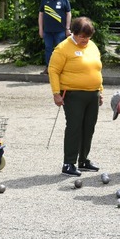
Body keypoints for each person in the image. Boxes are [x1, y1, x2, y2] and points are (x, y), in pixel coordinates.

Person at [48, 17, 103, 177]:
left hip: (92, 94)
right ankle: (69, 163)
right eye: (82, 37)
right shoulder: (63, 48)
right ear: (74, 33)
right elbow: (53, 70)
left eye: (88, 36)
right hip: (73, 94)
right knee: (74, 127)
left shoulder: (92, 46)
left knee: (89, 127)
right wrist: (56, 93)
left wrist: (100, 90)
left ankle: (83, 160)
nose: (86, 40)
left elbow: (97, 69)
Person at [39, 0, 72, 75]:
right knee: (48, 49)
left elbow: (68, 13)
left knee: (60, 50)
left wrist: (67, 28)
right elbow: (41, 14)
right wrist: (41, 29)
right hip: (47, 31)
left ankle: (61, 69)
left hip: (60, 31)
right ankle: (48, 68)